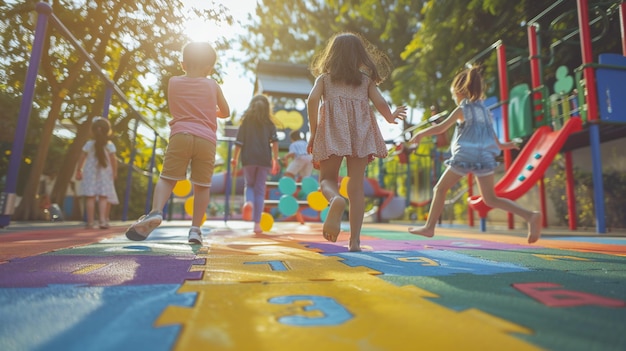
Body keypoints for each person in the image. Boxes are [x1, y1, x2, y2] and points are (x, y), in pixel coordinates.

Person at [407, 65, 541, 244]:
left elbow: (441, 128)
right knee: (491, 198)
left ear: (460, 92)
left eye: (454, 95)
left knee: (440, 189)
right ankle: (530, 215)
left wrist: (420, 134)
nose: (454, 98)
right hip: (484, 158)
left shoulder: (463, 110)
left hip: (465, 156)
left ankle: (429, 227)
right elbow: (492, 136)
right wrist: (504, 145)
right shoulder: (485, 112)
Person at [307, 32, 407, 252]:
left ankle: (335, 200)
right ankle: (355, 241)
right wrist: (391, 117)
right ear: (359, 56)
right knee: (356, 187)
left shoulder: (324, 79)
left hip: (332, 131)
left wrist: (313, 132)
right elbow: (380, 102)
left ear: (331, 55)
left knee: (327, 179)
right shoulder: (365, 81)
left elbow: (312, 100)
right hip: (360, 134)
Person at [125, 42, 230, 244]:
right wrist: (212, 111)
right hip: (206, 139)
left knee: (167, 178)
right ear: (209, 68)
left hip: (181, 134)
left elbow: (176, 108)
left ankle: (156, 212)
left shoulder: (173, 82)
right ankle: (195, 229)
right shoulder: (212, 84)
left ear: (183, 64)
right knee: (202, 185)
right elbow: (225, 113)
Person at [230, 95, 280, 235]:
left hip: (248, 159)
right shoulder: (269, 123)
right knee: (260, 190)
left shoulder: (246, 121)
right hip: (264, 160)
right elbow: (275, 142)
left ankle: (249, 202)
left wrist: (234, 159)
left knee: (249, 185)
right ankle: (257, 225)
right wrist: (275, 159)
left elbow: (239, 143)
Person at [75, 117, 118, 229]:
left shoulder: (89, 144)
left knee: (90, 197)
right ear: (107, 130)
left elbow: (82, 156)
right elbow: (113, 159)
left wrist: (79, 169)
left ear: (93, 130)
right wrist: (114, 172)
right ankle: (102, 221)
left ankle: (90, 222)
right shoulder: (109, 145)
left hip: (90, 173)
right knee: (103, 197)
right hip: (105, 173)